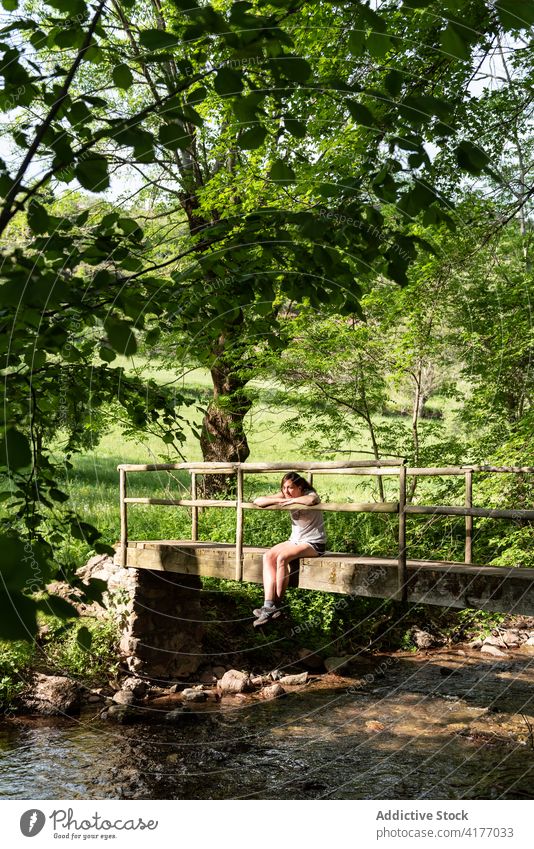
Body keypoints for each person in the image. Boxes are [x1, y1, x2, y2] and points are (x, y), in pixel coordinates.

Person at [252, 471, 326, 627]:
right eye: (284, 488)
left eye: (290, 488)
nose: (286, 491)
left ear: (300, 487)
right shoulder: (286, 495)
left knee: (282, 558)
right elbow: (258, 501)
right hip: (295, 540)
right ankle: (269, 604)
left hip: (313, 543)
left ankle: (276, 604)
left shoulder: (309, 494)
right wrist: (281, 499)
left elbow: (311, 499)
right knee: (268, 556)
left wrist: (293, 501)